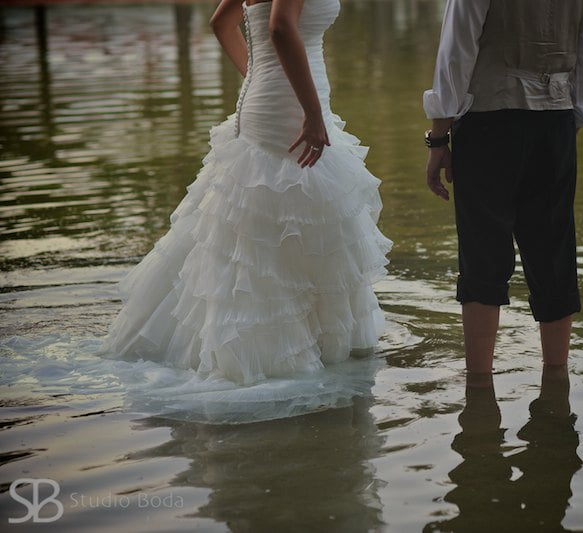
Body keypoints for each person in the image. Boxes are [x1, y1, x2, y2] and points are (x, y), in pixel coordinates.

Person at [97, 0, 392, 396]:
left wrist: (260, 77)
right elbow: (281, 27)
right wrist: (312, 112)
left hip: (268, 98)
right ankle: (278, 355)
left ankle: (250, 343)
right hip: (292, 106)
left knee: (257, 227)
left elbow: (222, 23)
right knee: (295, 223)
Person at [423, 0, 583, 373]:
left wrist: (438, 139)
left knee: (483, 255)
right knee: (553, 253)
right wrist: (571, 121)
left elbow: (456, 54)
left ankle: (478, 391)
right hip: (555, 122)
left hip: (489, 120)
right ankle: (556, 384)